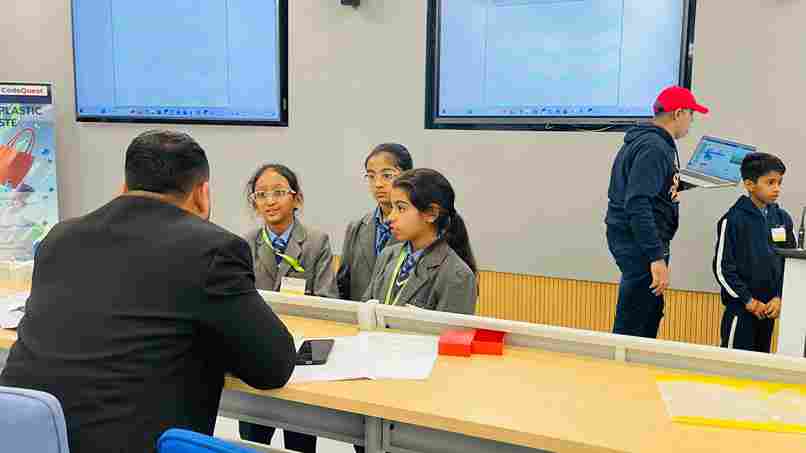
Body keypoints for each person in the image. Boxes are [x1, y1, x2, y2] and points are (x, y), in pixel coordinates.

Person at [0, 130, 297, 453]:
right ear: (202, 194)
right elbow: (273, 367)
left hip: (25, 441)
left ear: (124, 188)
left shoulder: (59, 239)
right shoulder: (212, 249)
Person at [240, 163, 338, 453]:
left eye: (279, 192)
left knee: (300, 440)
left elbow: (327, 300)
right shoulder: (246, 244)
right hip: (258, 352)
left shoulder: (316, 242)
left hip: (302, 354)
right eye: (261, 194)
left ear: (297, 198)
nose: (270, 201)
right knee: (253, 440)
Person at [605, 86, 709, 338]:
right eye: (691, 115)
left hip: (639, 240)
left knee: (648, 311)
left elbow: (647, 187)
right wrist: (656, 257)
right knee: (636, 320)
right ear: (678, 113)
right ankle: (624, 362)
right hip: (640, 243)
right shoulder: (654, 148)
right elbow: (638, 203)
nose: (691, 122)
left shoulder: (649, 142)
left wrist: (682, 182)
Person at [363, 168, 477, 314]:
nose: (391, 217)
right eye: (392, 207)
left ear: (431, 213)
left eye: (401, 208)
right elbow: (365, 310)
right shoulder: (387, 255)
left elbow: (449, 329)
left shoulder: (457, 275)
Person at [713, 153, 795, 352]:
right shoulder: (733, 220)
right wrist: (747, 300)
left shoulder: (782, 218)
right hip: (742, 310)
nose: (777, 188)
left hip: (769, 310)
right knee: (734, 365)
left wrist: (779, 297)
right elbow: (722, 269)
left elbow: (791, 264)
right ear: (749, 184)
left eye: (779, 182)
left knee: (760, 365)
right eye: (770, 182)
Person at [337, 143, 413, 301]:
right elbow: (343, 286)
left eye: (387, 175)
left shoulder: (417, 228)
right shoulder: (357, 228)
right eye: (371, 176)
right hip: (358, 314)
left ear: (408, 177)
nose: (378, 184)